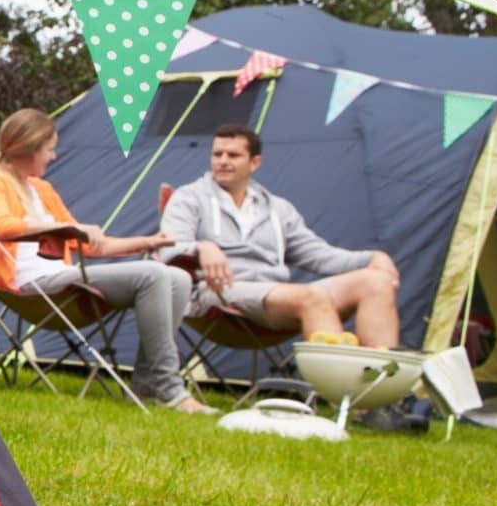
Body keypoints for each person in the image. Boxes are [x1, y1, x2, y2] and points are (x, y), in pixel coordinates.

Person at [0, 109, 212, 413]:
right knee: (153, 275)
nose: (53, 156)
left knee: (177, 277)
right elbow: (1, 226)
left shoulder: (42, 189)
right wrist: (66, 229)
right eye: (50, 148)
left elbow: (86, 245)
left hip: (63, 277)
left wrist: (148, 242)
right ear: (30, 147)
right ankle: (169, 387)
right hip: (31, 285)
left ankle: (146, 385)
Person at [161, 124, 401, 347]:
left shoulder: (278, 208)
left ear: (254, 162)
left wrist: (372, 258)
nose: (222, 161)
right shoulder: (189, 197)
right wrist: (201, 247)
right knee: (313, 296)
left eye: (233, 155)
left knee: (375, 282)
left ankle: (382, 385)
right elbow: (168, 247)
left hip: (276, 295)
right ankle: (341, 390)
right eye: (217, 154)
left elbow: (319, 255)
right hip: (218, 295)